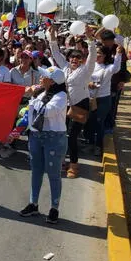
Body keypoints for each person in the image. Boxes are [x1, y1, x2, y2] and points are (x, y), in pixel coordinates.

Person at [19, 66, 68, 224]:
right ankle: (33, 203)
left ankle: (54, 208)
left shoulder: (61, 96)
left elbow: (48, 112)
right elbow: (32, 110)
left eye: (44, 76)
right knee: (36, 171)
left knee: (54, 174)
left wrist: (32, 98)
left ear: (52, 81)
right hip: (36, 135)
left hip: (53, 137)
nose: (41, 77)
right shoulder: (42, 93)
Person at [49, 25, 98, 178]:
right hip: (64, 106)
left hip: (79, 106)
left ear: (82, 60)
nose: (74, 60)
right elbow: (56, 53)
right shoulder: (65, 68)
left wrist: (90, 40)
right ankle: (62, 161)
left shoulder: (85, 70)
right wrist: (52, 36)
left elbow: (92, 57)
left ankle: (74, 166)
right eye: (72, 58)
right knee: (61, 134)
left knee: (72, 136)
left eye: (78, 58)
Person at [85, 45, 123, 154]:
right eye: (96, 53)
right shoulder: (89, 66)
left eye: (100, 53)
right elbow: (83, 79)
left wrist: (118, 54)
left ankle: (98, 146)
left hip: (104, 99)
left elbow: (117, 68)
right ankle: (90, 143)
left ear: (105, 55)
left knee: (99, 121)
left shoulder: (109, 67)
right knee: (89, 121)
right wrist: (89, 83)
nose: (97, 55)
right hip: (90, 98)